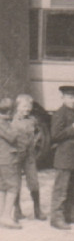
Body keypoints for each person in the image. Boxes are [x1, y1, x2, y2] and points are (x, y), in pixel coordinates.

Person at [49, 86, 74, 230]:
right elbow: (55, 136)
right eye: (70, 97)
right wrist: (72, 129)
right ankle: (56, 219)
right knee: (61, 190)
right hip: (64, 158)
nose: (73, 100)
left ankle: (70, 216)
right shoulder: (59, 113)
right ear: (63, 98)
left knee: (72, 189)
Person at [11, 94, 46, 222]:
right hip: (16, 156)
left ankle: (37, 210)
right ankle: (17, 211)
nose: (27, 109)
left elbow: (37, 131)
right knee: (15, 183)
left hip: (29, 156)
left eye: (29, 106)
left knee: (34, 182)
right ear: (18, 107)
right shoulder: (12, 121)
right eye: (24, 106)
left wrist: (34, 141)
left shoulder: (32, 120)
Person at [0, 97, 20, 229]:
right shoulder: (3, 123)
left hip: (3, 158)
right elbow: (12, 137)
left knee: (2, 187)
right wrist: (15, 122)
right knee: (12, 187)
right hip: (6, 158)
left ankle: (2, 214)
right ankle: (6, 216)